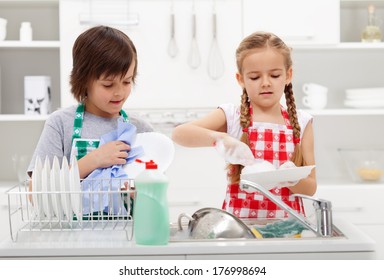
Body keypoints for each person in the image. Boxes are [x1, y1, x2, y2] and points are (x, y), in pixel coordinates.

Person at [172, 31, 316, 219]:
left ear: (288, 75)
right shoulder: (233, 116)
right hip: (240, 230)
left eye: (274, 75)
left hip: (288, 230)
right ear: (241, 79)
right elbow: (179, 134)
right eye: (255, 77)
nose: (265, 83)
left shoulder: (302, 121)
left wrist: (291, 179)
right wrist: (220, 138)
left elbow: (311, 187)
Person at [27, 25, 153, 180]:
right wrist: (94, 160)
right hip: (71, 206)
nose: (119, 92)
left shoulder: (142, 130)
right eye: (108, 84)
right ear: (84, 81)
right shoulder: (60, 124)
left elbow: (156, 188)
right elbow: (36, 192)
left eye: (127, 82)